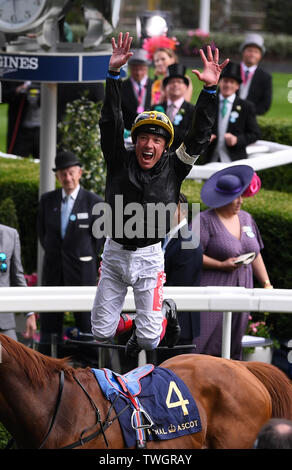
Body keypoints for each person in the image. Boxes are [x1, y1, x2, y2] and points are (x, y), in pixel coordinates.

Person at [90, 31, 229, 357]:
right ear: (135, 140)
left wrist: (209, 90)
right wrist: (113, 75)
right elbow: (110, 121)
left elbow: (198, 136)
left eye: (156, 140)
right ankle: (134, 324)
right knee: (100, 332)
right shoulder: (117, 158)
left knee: (151, 340)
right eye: (143, 138)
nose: (149, 145)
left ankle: (161, 314)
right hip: (113, 257)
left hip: (150, 258)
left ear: (165, 145)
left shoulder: (175, 166)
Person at [195, 165, 272, 360]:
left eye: (240, 196)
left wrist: (266, 284)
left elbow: (256, 254)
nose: (239, 201)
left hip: (243, 289)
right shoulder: (204, 220)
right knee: (204, 342)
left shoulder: (247, 219)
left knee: (232, 344)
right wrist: (220, 265)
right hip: (213, 289)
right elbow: (192, 256)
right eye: (234, 198)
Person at [37, 151, 104, 365]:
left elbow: (99, 241)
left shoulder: (94, 202)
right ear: (57, 176)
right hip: (54, 272)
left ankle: (90, 370)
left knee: (86, 325)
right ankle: (46, 369)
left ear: (80, 173)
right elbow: (42, 233)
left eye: (71, 173)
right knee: (49, 326)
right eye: (63, 174)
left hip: (82, 274)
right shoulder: (47, 201)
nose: (67, 178)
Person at [154, 193, 202, 364]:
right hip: (166, 321)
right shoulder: (165, 236)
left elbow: (178, 286)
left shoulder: (187, 243)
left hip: (179, 324)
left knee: (173, 377)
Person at [204, 61, 261, 163]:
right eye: (225, 81)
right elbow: (200, 127)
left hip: (235, 158)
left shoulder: (246, 107)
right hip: (210, 158)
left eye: (232, 82)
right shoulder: (209, 103)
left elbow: (255, 134)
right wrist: (205, 137)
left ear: (237, 86)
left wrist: (237, 140)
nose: (228, 85)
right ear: (220, 82)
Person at [0, 223, 37, 340]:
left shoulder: (10, 234)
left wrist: (29, 313)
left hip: (3, 321)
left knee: (15, 358)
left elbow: (17, 277)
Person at [155, 63, 196, 151]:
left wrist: (167, 128)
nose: (175, 84)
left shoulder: (192, 110)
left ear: (186, 87)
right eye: (172, 82)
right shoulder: (156, 108)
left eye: (179, 82)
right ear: (165, 87)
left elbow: (192, 136)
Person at [1, 80, 41, 158]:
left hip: (45, 131)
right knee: (14, 161)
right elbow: (3, 95)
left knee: (48, 163)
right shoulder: (15, 76)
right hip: (20, 131)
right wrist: (17, 90)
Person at [239, 33, 272, 116]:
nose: (252, 54)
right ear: (243, 52)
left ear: (260, 56)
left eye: (256, 52)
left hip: (252, 117)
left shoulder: (265, 76)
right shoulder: (231, 70)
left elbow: (265, 103)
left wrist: (250, 116)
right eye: (249, 50)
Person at [121, 48, 153, 132]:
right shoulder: (122, 86)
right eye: (135, 69)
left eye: (141, 69)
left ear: (147, 69)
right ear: (130, 69)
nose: (138, 73)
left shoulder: (155, 85)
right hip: (128, 129)